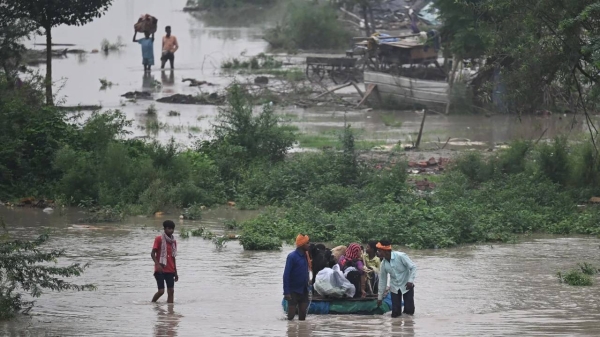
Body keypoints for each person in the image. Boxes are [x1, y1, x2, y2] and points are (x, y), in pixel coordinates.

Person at [377, 240, 417, 317]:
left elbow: (413, 267)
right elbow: (382, 281)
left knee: (409, 311)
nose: (377, 253)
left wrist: (410, 281)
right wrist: (380, 297)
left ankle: (408, 327)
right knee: (395, 314)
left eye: (379, 251)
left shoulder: (401, 256)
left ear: (386, 251)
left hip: (407, 286)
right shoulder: (383, 264)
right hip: (394, 288)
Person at [283, 234, 311, 321]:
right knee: (290, 318)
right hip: (293, 291)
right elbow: (286, 274)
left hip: (304, 289)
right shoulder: (292, 257)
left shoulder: (306, 256)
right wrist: (286, 292)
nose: (309, 245)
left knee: (303, 318)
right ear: (302, 245)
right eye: (307, 243)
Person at [151, 220, 178, 303]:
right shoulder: (159, 239)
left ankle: (170, 311)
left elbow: (173, 257)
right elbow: (152, 253)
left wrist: (175, 272)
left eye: (172, 229)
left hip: (170, 269)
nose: (171, 231)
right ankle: (153, 303)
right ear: (165, 229)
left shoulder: (173, 242)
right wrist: (157, 264)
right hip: (160, 269)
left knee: (171, 291)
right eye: (169, 228)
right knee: (161, 291)